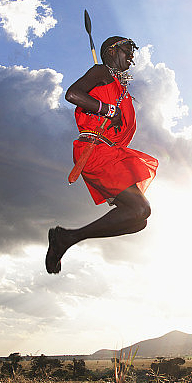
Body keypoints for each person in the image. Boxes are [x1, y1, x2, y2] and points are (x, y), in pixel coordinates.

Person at [46, 36, 158, 274]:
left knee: (138, 221)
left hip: (111, 153)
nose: (131, 55)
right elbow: (73, 94)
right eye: (127, 50)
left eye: (132, 52)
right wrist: (107, 109)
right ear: (110, 52)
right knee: (141, 210)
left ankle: (67, 238)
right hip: (96, 151)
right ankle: (66, 238)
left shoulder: (118, 86)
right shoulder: (100, 72)